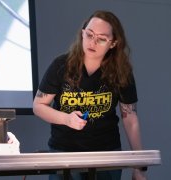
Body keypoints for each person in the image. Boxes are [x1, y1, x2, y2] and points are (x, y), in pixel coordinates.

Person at [33, 10, 146, 180]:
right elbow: (38, 106)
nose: (92, 42)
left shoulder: (121, 71)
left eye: (101, 39)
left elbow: (130, 118)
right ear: (82, 33)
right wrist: (66, 119)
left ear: (113, 43)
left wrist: (140, 166)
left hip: (106, 155)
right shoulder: (61, 65)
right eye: (89, 34)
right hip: (64, 153)